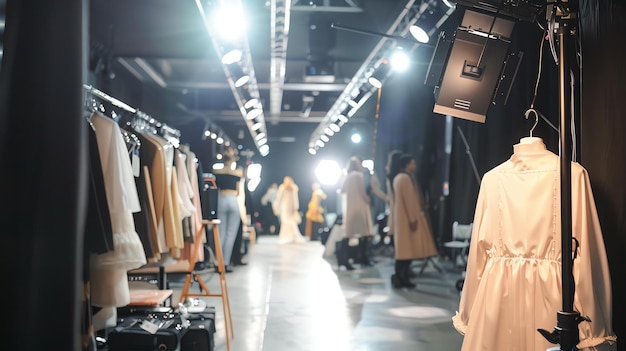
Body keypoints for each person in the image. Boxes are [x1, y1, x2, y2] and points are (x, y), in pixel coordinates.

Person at [390, 153, 438, 288]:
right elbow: (409, 200)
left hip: (402, 218)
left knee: (404, 251)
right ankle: (401, 278)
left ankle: (400, 277)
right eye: (413, 163)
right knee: (405, 252)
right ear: (407, 164)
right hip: (407, 219)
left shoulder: (398, 178)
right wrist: (413, 218)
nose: (414, 166)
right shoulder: (405, 178)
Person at [212, 147, 244, 270]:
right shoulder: (237, 173)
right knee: (231, 233)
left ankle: (217, 262)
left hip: (221, 199)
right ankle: (225, 263)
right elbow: (239, 192)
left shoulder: (217, 172)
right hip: (232, 199)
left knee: (220, 233)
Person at [340, 157, 373, 267]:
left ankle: (345, 259)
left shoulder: (348, 177)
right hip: (360, 207)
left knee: (350, 234)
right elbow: (362, 191)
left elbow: (342, 190)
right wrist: (367, 199)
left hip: (350, 208)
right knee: (364, 233)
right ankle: (362, 258)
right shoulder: (358, 176)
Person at [273, 176, 306, 244]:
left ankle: (287, 236)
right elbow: (295, 198)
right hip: (289, 207)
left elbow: (279, 198)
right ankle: (290, 236)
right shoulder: (292, 187)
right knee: (290, 221)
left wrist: (275, 206)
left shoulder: (285, 187)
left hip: (286, 207)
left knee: (286, 221)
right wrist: (296, 207)